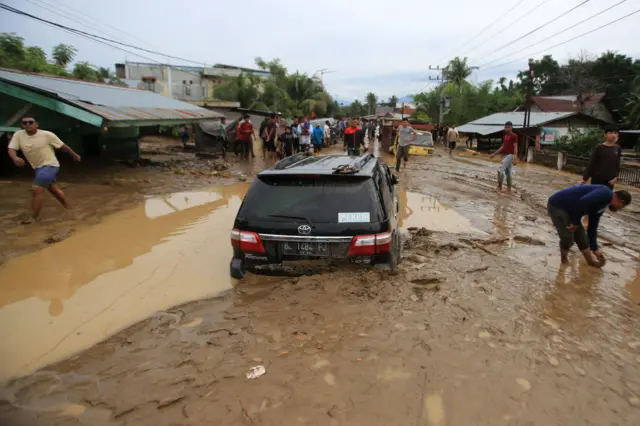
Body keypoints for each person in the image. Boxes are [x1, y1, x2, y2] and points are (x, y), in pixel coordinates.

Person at [8, 115, 81, 223]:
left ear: (36, 124)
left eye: (30, 122)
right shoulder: (19, 135)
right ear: (22, 125)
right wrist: (14, 157)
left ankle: (33, 217)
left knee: (36, 189)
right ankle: (70, 209)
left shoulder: (47, 135)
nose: (28, 125)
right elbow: (11, 148)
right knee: (54, 190)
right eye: (25, 123)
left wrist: (75, 155)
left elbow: (63, 146)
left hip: (50, 165)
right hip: (38, 167)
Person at [547, 184, 631, 266]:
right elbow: (583, 201)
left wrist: (595, 249)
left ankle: (591, 262)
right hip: (558, 205)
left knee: (582, 237)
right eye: (621, 207)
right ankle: (564, 261)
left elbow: (593, 227)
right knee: (567, 237)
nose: (619, 209)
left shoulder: (603, 204)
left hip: (571, 211)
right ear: (621, 201)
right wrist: (575, 223)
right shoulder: (606, 193)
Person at [489, 121, 518, 192]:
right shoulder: (505, 136)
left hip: (510, 155)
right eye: (505, 127)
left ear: (511, 128)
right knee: (508, 173)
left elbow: (515, 146)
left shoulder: (514, 136)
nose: (507, 128)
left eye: (508, 127)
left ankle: (499, 186)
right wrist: (494, 154)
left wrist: (515, 158)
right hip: (505, 156)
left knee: (500, 170)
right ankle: (509, 188)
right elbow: (502, 147)